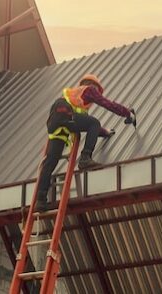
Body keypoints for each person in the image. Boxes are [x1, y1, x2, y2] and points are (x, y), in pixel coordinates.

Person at [35, 74, 135, 212]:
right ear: (95, 86)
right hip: (65, 115)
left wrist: (105, 132)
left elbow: (86, 123)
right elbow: (105, 104)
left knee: (50, 162)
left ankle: (40, 201)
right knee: (94, 122)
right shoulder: (89, 90)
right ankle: (85, 158)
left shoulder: (75, 99)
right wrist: (126, 113)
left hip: (56, 122)